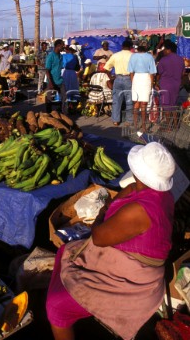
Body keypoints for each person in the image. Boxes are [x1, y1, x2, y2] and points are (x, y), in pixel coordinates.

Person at [46, 141, 175, 340]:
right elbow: (122, 196)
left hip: (134, 281)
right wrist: (107, 210)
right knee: (66, 251)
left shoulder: (139, 210)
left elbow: (98, 238)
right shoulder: (160, 194)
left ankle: (69, 313)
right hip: (130, 262)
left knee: (56, 306)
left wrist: (99, 217)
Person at [128, 40, 157, 131]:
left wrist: (133, 81)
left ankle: (136, 125)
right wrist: (151, 84)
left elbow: (131, 72)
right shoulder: (149, 57)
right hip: (146, 78)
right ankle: (144, 127)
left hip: (136, 78)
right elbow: (152, 73)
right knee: (144, 104)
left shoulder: (133, 56)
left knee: (136, 104)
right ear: (146, 47)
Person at [104, 39, 133, 126]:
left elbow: (106, 68)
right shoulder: (133, 56)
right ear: (131, 47)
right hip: (129, 79)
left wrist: (110, 77)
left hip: (118, 78)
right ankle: (129, 121)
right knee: (129, 101)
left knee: (116, 100)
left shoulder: (115, 55)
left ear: (122, 46)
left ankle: (116, 120)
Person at [156, 39, 185, 108]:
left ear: (169, 50)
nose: (164, 51)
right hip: (176, 84)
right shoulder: (181, 59)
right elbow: (183, 73)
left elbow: (159, 73)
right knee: (174, 104)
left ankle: (168, 119)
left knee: (166, 105)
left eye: (165, 49)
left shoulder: (163, 59)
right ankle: (175, 119)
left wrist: (156, 83)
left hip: (165, 84)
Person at [45, 39, 66, 114]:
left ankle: (63, 113)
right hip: (51, 81)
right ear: (58, 46)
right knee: (49, 99)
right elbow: (47, 70)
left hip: (59, 80)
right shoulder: (50, 56)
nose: (64, 47)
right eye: (62, 45)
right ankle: (48, 114)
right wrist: (50, 82)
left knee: (64, 97)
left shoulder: (60, 56)